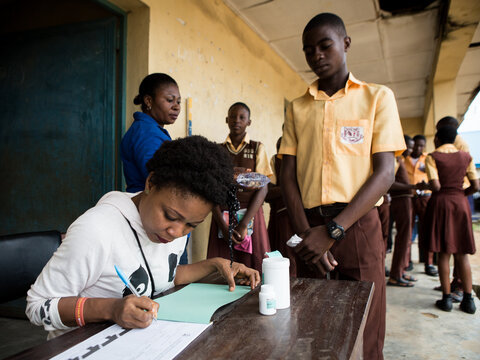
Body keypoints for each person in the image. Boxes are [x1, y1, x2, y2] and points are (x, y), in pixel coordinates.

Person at [26, 136, 260, 338]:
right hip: (83, 347)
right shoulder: (96, 229)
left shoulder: (169, 229)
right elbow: (37, 306)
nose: (177, 232)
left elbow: (161, 277)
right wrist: (110, 309)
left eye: (192, 225)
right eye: (170, 216)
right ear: (150, 183)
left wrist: (215, 265)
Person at [279, 13, 405, 360]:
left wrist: (333, 231)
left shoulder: (377, 98)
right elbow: (287, 174)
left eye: (324, 45)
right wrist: (308, 235)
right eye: (308, 50)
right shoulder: (297, 108)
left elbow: (384, 173)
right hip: (309, 228)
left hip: (359, 225)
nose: (316, 55)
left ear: (345, 44)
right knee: (315, 324)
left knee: (365, 327)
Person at [207, 102, 273, 272]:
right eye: (233, 116)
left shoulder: (257, 147)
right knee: (222, 264)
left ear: (249, 122)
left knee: (255, 262)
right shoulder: (217, 150)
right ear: (226, 119)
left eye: (242, 117)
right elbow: (210, 188)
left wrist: (244, 224)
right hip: (222, 213)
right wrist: (222, 224)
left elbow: (264, 186)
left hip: (250, 211)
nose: (237, 120)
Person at [424, 126, 479, 313]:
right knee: (462, 253)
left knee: (443, 252)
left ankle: (446, 299)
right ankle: (469, 300)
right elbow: (476, 186)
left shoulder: (432, 157)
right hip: (461, 203)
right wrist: (461, 194)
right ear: (455, 138)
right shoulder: (466, 156)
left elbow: (436, 186)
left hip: (442, 204)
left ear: (437, 138)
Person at [120, 73, 181, 193]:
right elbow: (159, 181)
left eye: (178, 102)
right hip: (146, 206)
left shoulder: (146, 129)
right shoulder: (147, 134)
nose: (176, 107)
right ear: (148, 101)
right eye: (170, 100)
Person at [387, 135, 426, 287]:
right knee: (403, 238)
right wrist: (413, 187)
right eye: (408, 147)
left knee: (407, 238)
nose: (410, 150)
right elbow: (389, 183)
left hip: (405, 199)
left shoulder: (401, 160)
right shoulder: (395, 160)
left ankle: (401, 271)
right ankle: (396, 275)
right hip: (401, 200)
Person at [404, 134, 438, 276]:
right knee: (408, 231)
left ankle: (428, 263)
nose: (418, 148)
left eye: (421, 145)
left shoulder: (428, 159)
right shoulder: (404, 159)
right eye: (416, 145)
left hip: (425, 198)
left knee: (427, 230)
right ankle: (407, 261)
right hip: (410, 198)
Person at [265, 136, 296, 276]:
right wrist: (293, 188)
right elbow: (268, 193)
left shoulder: (307, 157)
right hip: (281, 215)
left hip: (304, 216)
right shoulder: (276, 159)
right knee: (281, 255)